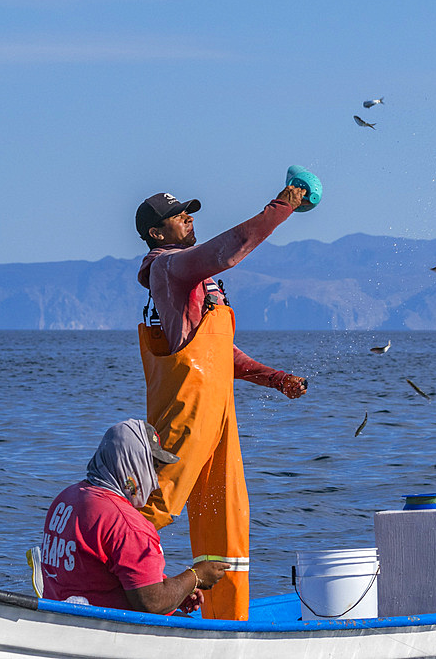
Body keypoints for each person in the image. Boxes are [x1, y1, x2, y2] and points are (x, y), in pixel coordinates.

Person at [134, 187, 308, 621]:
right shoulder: (170, 267)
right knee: (156, 505)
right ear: (156, 233)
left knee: (225, 514)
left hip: (218, 414)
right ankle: (86, 570)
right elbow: (228, 251)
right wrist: (281, 208)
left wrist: (276, 379)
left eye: (189, 213)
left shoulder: (194, 278)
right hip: (186, 410)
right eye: (178, 217)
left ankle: (225, 618)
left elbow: (218, 351)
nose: (189, 219)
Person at [40, 419, 229, 613]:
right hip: (102, 627)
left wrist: (178, 592)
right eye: (153, 466)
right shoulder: (127, 525)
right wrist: (195, 576)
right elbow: (152, 603)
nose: (155, 481)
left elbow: (93, 573)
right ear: (131, 462)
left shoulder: (66, 499)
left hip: (60, 614)